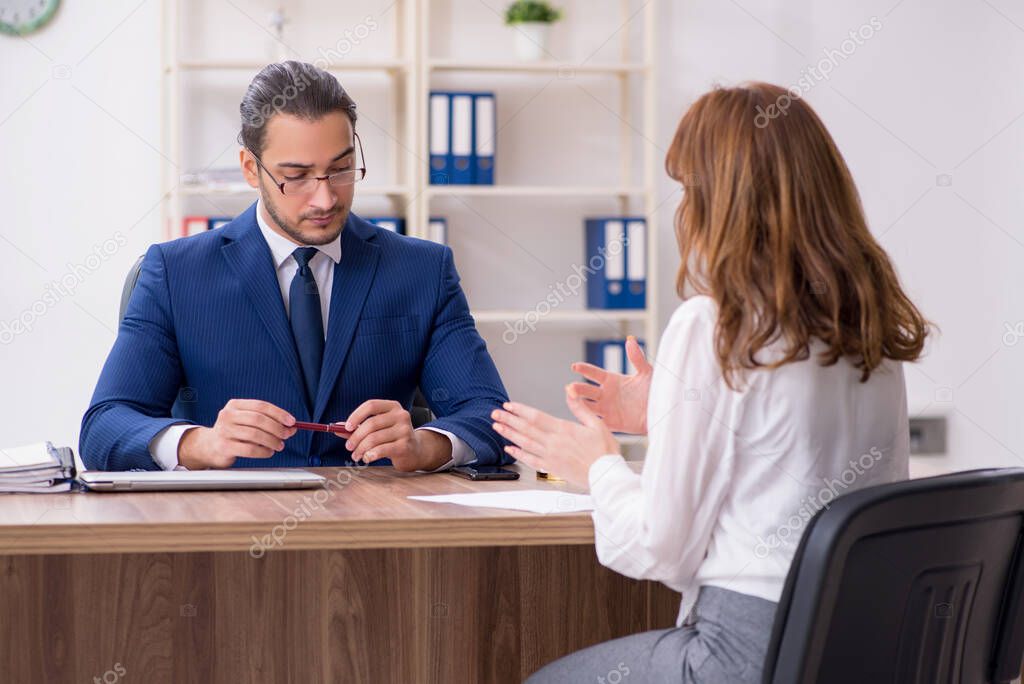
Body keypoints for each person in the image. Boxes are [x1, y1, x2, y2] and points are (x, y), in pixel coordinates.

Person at [492, 82, 930, 683]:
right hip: (863, 646)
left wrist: (597, 463)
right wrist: (668, 410)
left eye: (690, 188)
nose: (684, 208)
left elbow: (661, 548)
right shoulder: (867, 321)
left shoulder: (714, 323)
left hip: (748, 655)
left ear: (720, 201)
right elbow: (786, 450)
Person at [81, 61, 509, 473]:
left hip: (377, 523)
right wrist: (201, 443)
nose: (324, 199)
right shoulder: (175, 273)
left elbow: (491, 418)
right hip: (229, 527)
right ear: (252, 168)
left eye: (340, 169)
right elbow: (105, 427)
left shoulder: (422, 270)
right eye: (297, 176)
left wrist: (426, 445)